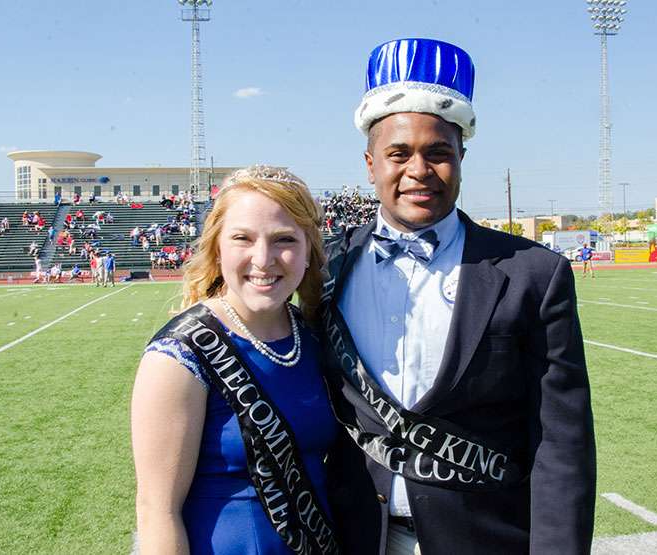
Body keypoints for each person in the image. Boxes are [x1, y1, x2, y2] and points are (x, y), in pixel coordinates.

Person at [321, 39, 596, 555]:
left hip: (486, 539)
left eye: (439, 153)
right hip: (354, 538)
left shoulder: (535, 274)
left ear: (462, 157)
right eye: (398, 154)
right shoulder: (323, 268)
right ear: (369, 164)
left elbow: (562, 443)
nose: (419, 171)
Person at [131, 166, 340, 555]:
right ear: (217, 247)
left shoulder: (314, 336)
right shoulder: (178, 356)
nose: (263, 259)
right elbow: (156, 512)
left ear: (309, 249)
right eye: (242, 238)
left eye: (284, 240)